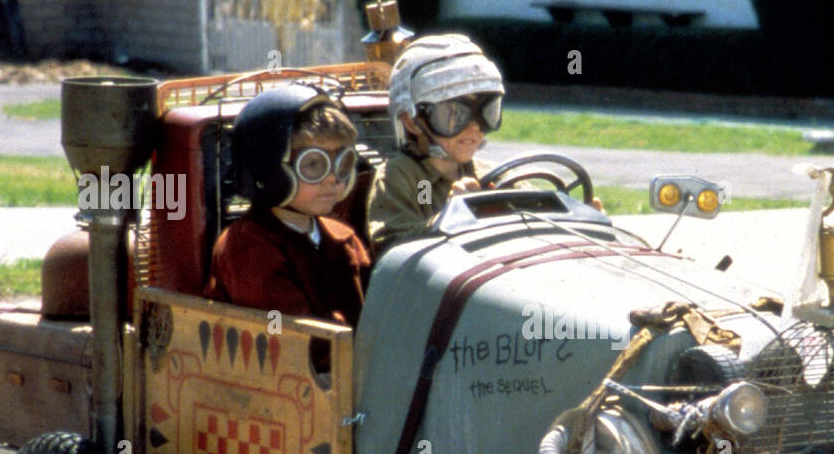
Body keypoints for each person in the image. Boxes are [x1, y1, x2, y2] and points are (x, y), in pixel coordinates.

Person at [366, 34, 602, 256]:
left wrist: (578, 221)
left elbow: (535, 217)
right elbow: (390, 250)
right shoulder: (402, 176)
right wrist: (451, 217)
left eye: (485, 111)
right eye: (454, 114)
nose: (475, 126)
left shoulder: (492, 175)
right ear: (412, 121)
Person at [204, 84, 370, 326]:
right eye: (313, 165)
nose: (333, 177)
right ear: (269, 169)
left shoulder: (343, 238)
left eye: (342, 163)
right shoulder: (247, 247)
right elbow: (296, 339)